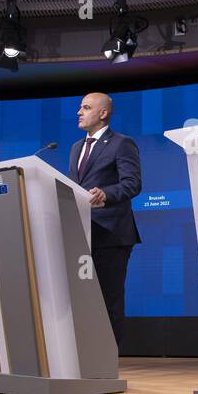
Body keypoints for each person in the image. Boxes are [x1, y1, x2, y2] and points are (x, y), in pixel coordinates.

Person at [70, 92, 142, 352]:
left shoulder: (122, 143)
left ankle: (108, 355)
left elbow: (132, 184)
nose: (79, 112)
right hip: (81, 233)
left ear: (103, 113)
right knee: (84, 299)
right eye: (80, 107)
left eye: (86, 107)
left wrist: (106, 194)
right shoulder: (76, 147)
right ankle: (86, 353)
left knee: (107, 297)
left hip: (111, 233)